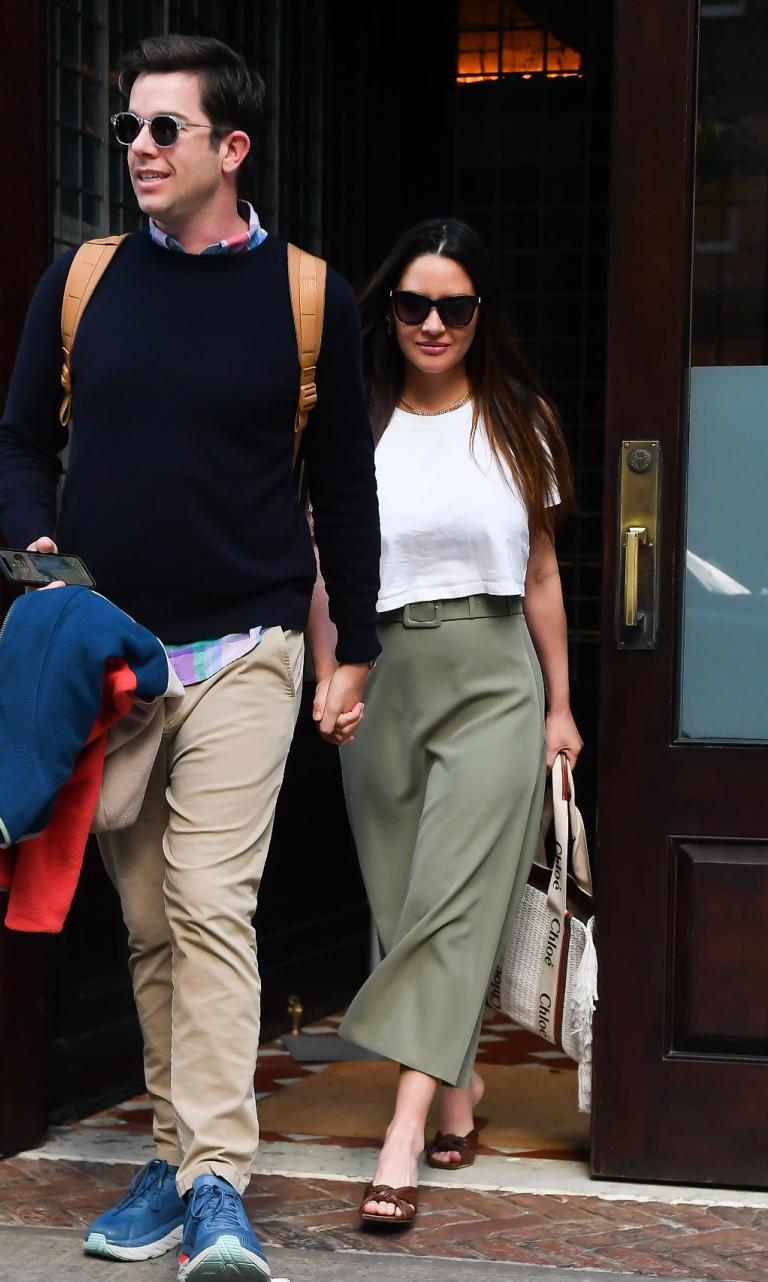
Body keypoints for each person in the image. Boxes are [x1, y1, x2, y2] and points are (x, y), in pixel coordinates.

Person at [0, 32, 380, 1282]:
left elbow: (345, 491)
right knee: (151, 918)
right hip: (114, 654)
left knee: (213, 905)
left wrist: (353, 646)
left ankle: (217, 1181)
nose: (142, 151)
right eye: (132, 131)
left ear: (231, 148)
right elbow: (17, 446)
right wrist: (39, 547)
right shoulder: (85, 281)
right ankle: (173, 1150)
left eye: (167, 130)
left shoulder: (311, 298)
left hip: (250, 650)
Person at [307, 217, 582, 1225]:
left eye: (454, 306)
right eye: (413, 304)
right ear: (388, 312)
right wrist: (330, 675)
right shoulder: (352, 423)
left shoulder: (522, 420)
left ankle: (403, 1133)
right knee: (402, 899)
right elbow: (328, 569)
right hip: (382, 671)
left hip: (494, 678)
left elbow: (543, 574)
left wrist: (558, 705)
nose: (432, 322)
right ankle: (460, 1091)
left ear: (481, 315)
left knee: (456, 895)